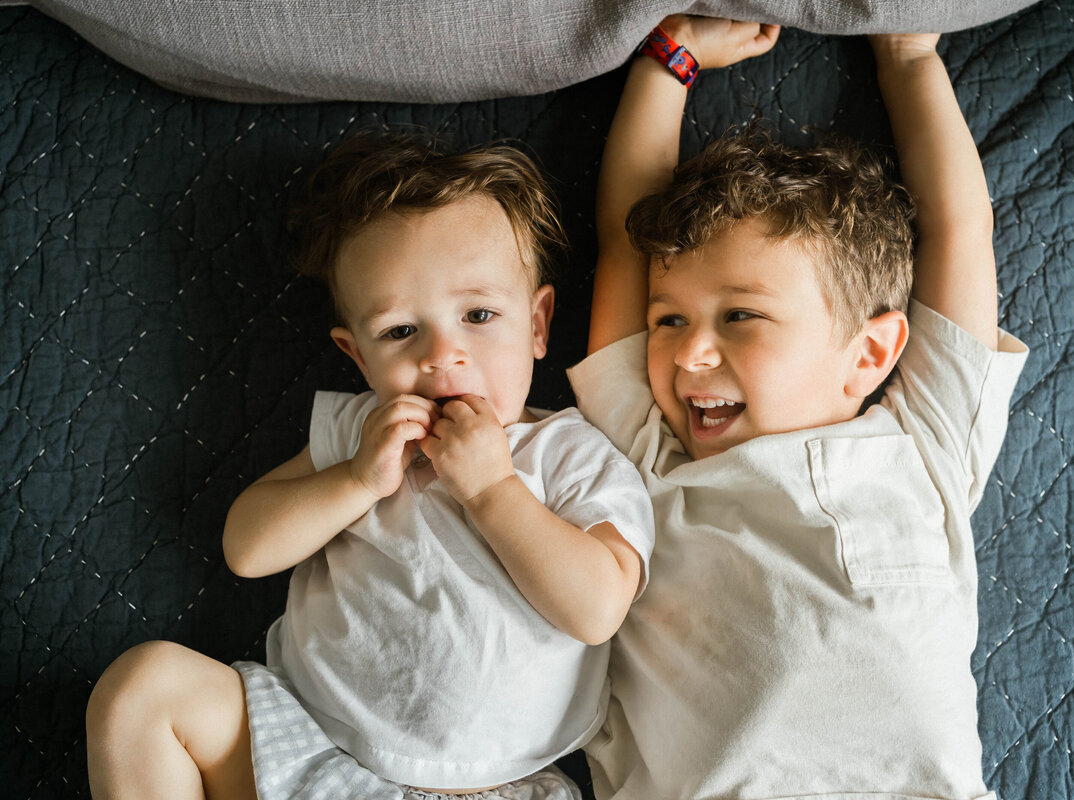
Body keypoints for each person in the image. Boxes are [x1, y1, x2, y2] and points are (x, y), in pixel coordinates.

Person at [86, 132, 655, 800]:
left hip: (495, 786)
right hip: (311, 749)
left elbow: (596, 610)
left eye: (478, 314)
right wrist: (356, 479)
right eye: (400, 332)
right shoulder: (358, 433)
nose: (444, 354)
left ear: (537, 324)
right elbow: (246, 548)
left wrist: (495, 490)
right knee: (143, 689)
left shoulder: (572, 456)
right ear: (356, 357)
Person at [568, 16, 1029, 800]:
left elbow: (959, 229)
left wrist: (911, 55)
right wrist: (665, 66)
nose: (687, 355)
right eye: (668, 319)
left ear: (871, 355)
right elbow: (625, 244)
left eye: (740, 317)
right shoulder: (645, 466)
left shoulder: (924, 447)